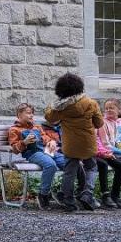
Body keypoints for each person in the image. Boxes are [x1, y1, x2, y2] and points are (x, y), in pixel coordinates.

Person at [45, 73, 104, 212]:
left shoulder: (61, 107)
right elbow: (99, 123)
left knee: (69, 172)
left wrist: (54, 104)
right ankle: (87, 194)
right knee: (91, 167)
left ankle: (69, 201)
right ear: (79, 87)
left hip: (71, 145)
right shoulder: (91, 103)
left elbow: (49, 117)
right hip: (88, 143)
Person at [8, 103, 64, 209]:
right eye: (28, 113)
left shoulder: (37, 127)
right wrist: (24, 142)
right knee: (50, 165)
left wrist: (51, 141)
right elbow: (14, 149)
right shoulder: (14, 130)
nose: (32, 115)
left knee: (69, 163)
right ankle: (43, 195)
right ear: (19, 114)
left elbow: (45, 137)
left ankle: (63, 193)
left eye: (32, 113)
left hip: (46, 151)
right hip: (33, 154)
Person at [96, 98, 121, 209]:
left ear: (119, 109)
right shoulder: (102, 123)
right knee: (120, 166)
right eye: (106, 108)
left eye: (111, 108)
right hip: (104, 152)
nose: (108, 110)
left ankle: (115, 196)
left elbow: (117, 141)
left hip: (114, 152)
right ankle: (109, 196)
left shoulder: (118, 123)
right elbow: (105, 144)